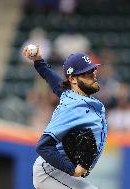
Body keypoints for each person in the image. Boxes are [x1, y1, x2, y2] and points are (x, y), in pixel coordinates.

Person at [23, 45, 108, 189]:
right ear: (73, 80)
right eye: (86, 73)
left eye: (93, 70)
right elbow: (43, 146)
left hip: (57, 171)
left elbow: (55, 81)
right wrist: (72, 170)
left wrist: (38, 61)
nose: (93, 75)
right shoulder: (71, 108)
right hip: (49, 172)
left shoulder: (71, 94)